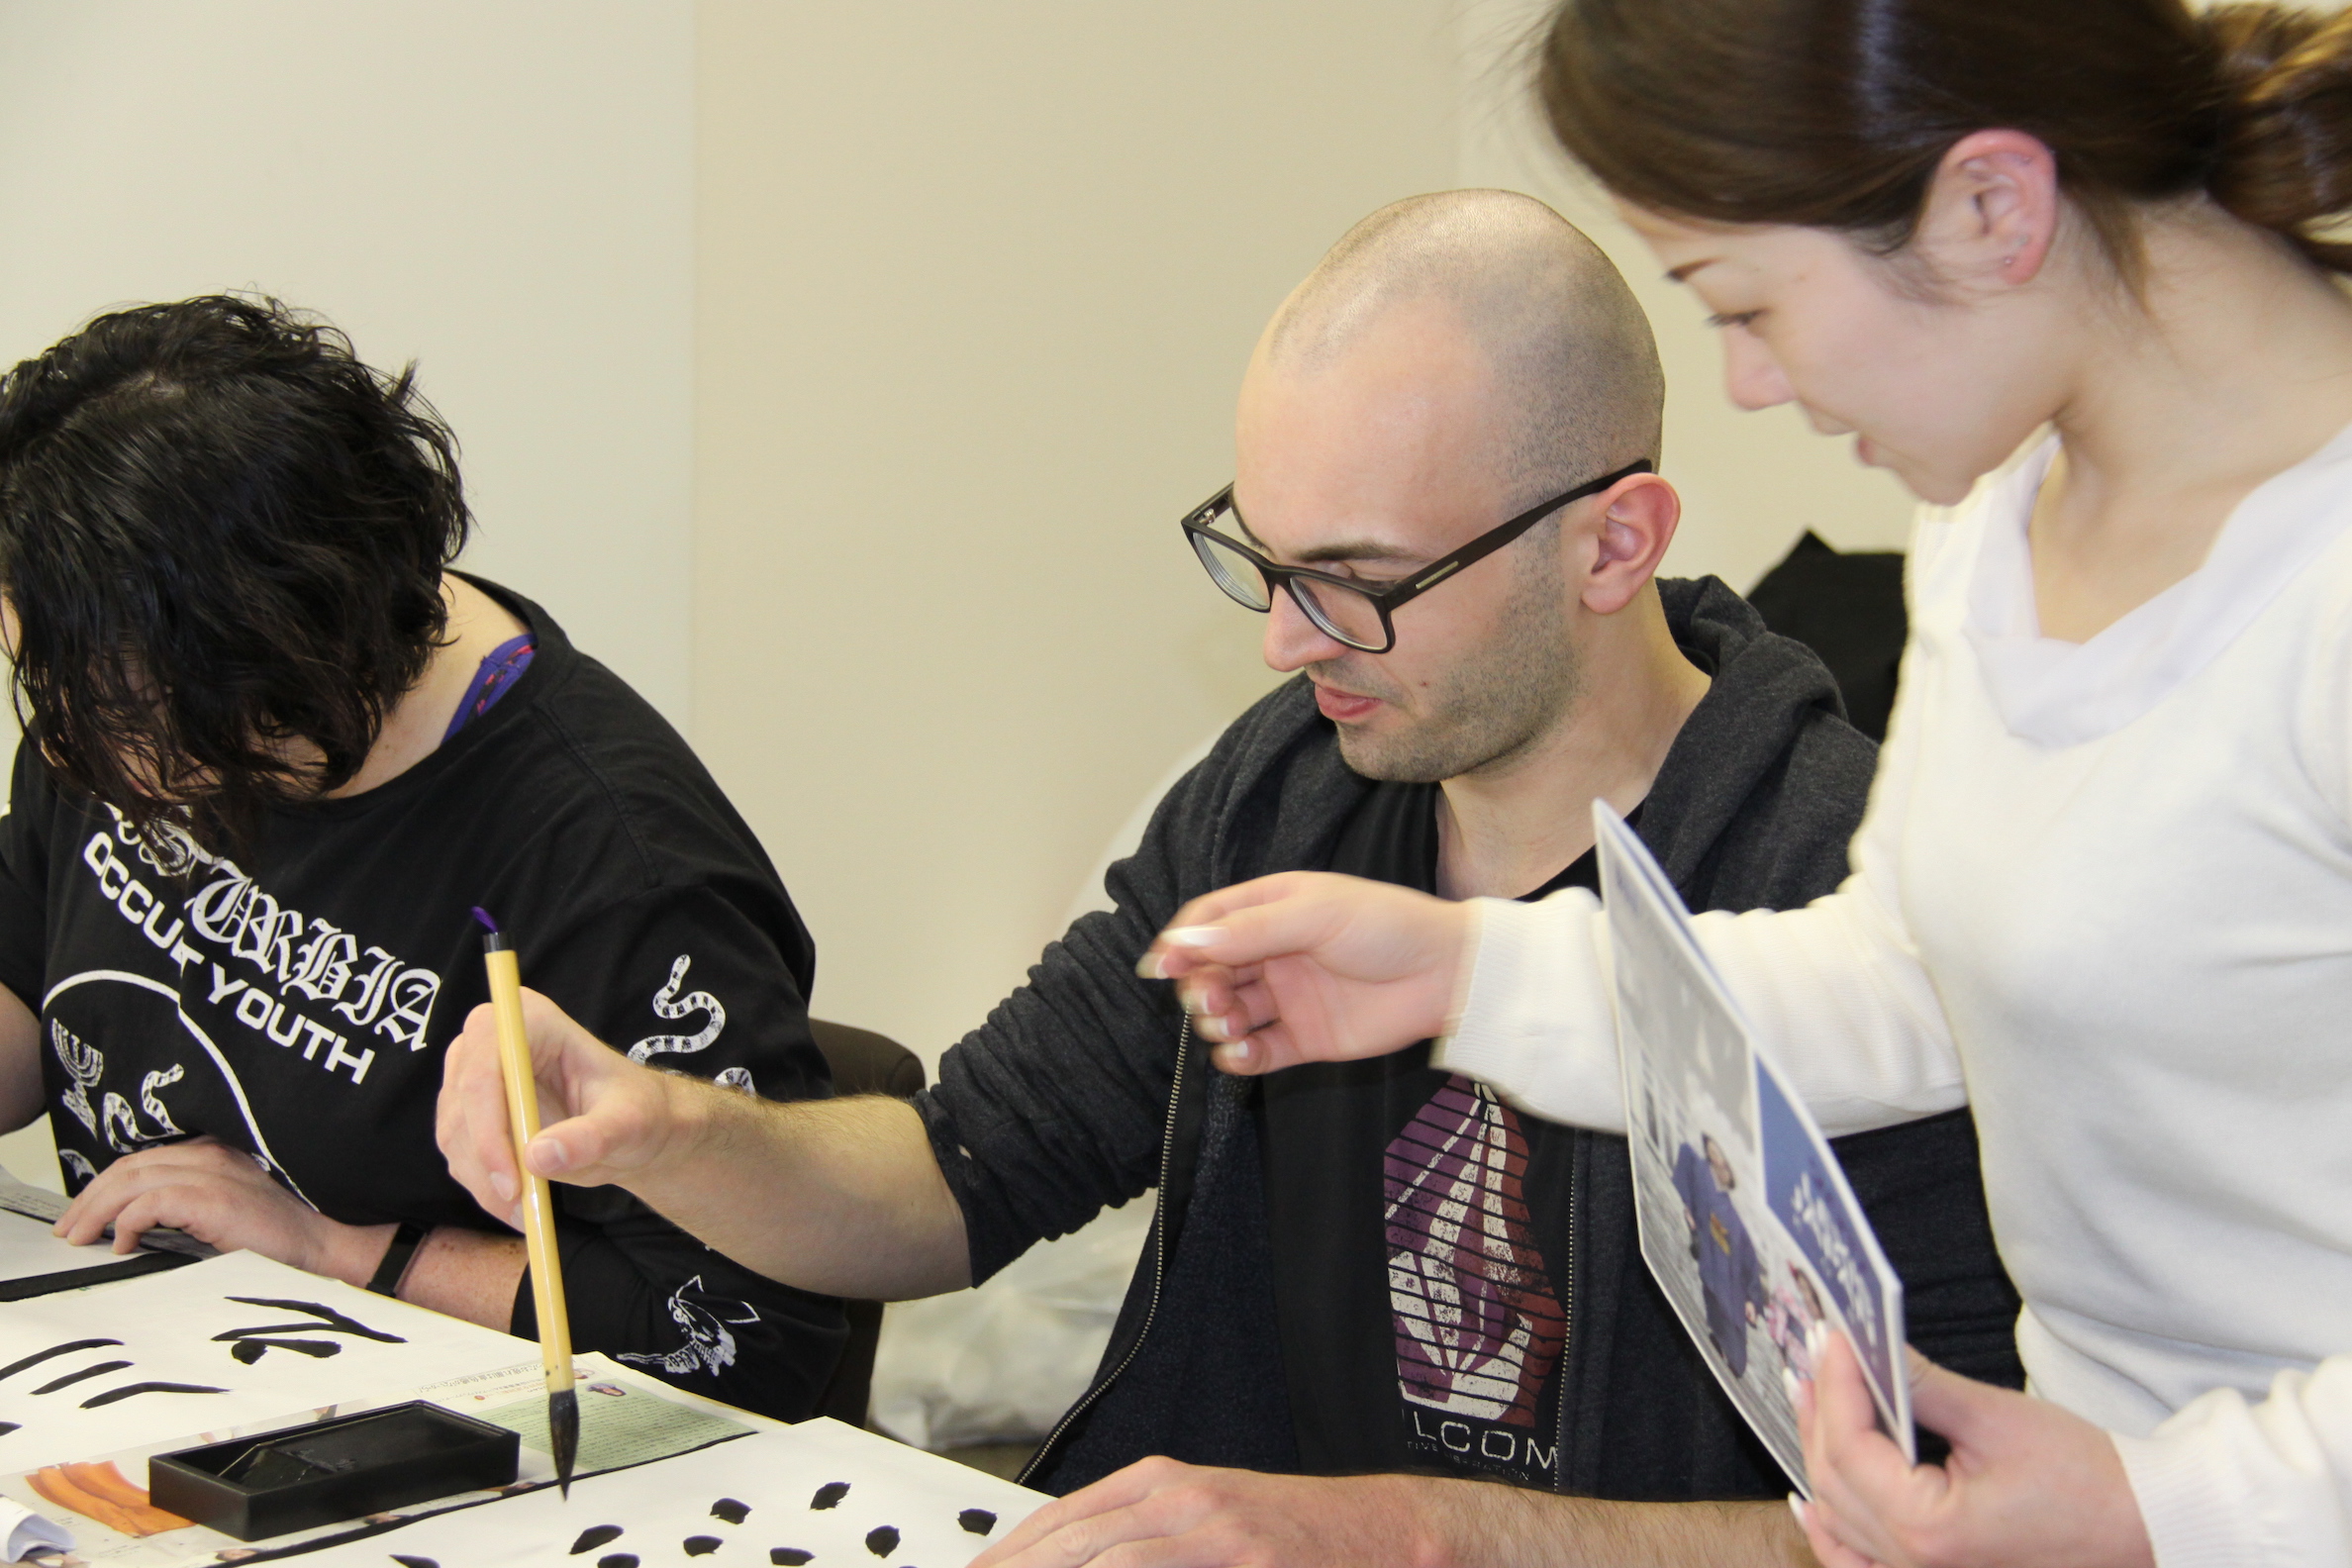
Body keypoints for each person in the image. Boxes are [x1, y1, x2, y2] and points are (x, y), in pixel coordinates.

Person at [440, 191, 2020, 1564]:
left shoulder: (1852, 900)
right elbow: (962, 1173)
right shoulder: (1286, 786)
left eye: (1362, 583)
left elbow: (1963, 1526)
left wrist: (1419, 1537)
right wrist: (661, 1131)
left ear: (1614, 546)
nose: (1286, 640)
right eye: (1265, 560)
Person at [1135, 2, 2352, 1562]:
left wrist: (2161, 1506)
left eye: (1747, 305)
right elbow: (1914, 976)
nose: (1750, 385)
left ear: (1990, 205)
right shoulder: (2009, 516)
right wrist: (1473, 970)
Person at [0, 296, 843, 1421]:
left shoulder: (615, 866)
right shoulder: (127, 704)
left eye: (107, 708)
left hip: (440, 1445)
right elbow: (24, 981)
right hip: (124, 1376)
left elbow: (745, 1336)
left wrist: (335, 1248)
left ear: (281, 655)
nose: (60, 745)